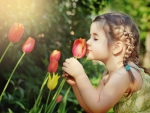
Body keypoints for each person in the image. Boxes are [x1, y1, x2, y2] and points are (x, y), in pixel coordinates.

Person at [62, 13, 150, 113]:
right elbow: (92, 108)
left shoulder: (123, 74)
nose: (88, 42)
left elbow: (98, 107)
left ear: (116, 47)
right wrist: (76, 84)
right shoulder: (107, 74)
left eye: (95, 38)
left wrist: (80, 75)